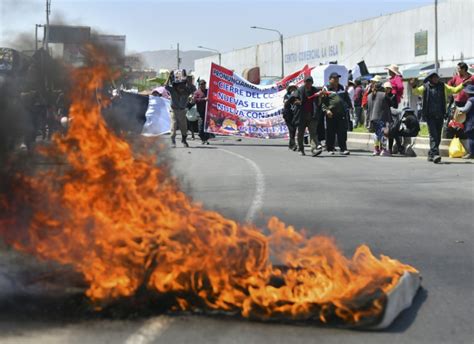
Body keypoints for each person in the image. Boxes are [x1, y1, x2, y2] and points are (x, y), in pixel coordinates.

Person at [410, 72, 464, 163]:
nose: (437, 79)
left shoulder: (443, 86)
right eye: (434, 77)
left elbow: (455, 90)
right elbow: (416, 92)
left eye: (437, 77)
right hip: (429, 115)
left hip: (440, 115)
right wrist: (414, 85)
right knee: (433, 135)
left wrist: (463, 84)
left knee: (438, 136)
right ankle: (435, 154)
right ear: (430, 79)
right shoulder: (425, 87)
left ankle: (431, 154)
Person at [322, 72, 352, 155]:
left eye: (337, 78)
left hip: (341, 114)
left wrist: (349, 106)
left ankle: (343, 149)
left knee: (342, 132)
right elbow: (322, 103)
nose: (336, 80)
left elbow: (346, 98)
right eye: (334, 78)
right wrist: (327, 110)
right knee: (330, 132)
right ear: (330, 79)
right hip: (331, 114)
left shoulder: (342, 88)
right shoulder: (326, 88)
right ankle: (330, 149)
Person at [294, 76, 323, 157]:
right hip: (301, 115)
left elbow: (319, 103)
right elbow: (294, 99)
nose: (308, 83)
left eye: (310, 82)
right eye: (307, 82)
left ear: (312, 83)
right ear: (304, 82)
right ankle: (301, 149)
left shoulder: (315, 91)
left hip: (312, 115)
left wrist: (320, 97)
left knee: (313, 133)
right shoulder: (300, 90)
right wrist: (297, 101)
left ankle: (313, 150)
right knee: (300, 133)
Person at [165, 71, 195, 148]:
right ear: (175, 86)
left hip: (182, 111)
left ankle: (184, 140)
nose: (180, 87)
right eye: (178, 85)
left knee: (184, 127)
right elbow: (165, 86)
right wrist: (169, 76)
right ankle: (173, 141)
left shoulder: (186, 91)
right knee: (173, 126)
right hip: (174, 111)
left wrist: (188, 81)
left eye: (182, 85)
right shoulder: (172, 91)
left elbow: (193, 88)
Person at [366, 81, 392, 156]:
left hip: (372, 118)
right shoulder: (384, 95)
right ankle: (383, 150)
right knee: (384, 133)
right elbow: (391, 103)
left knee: (376, 134)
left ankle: (376, 149)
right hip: (382, 117)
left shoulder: (369, 96)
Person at [456, 84, 474, 159]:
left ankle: (471, 153)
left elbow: (465, 109)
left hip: (472, 121)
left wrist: (457, 108)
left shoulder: (471, 99)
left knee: (471, 137)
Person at [193, 79, 210, 145]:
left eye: (204, 84)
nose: (203, 85)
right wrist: (203, 99)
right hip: (200, 112)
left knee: (207, 127)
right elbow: (195, 100)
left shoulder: (208, 91)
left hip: (208, 112)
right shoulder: (196, 92)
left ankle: (205, 139)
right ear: (199, 85)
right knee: (200, 127)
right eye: (201, 84)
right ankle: (202, 138)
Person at [282, 84, 298, 151]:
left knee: (293, 130)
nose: (293, 90)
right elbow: (286, 103)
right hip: (288, 115)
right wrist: (290, 98)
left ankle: (290, 145)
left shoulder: (297, 96)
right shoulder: (286, 96)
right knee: (291, 129)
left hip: (294, 115)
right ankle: (293, 145)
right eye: (291, 88)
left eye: (294, 88)